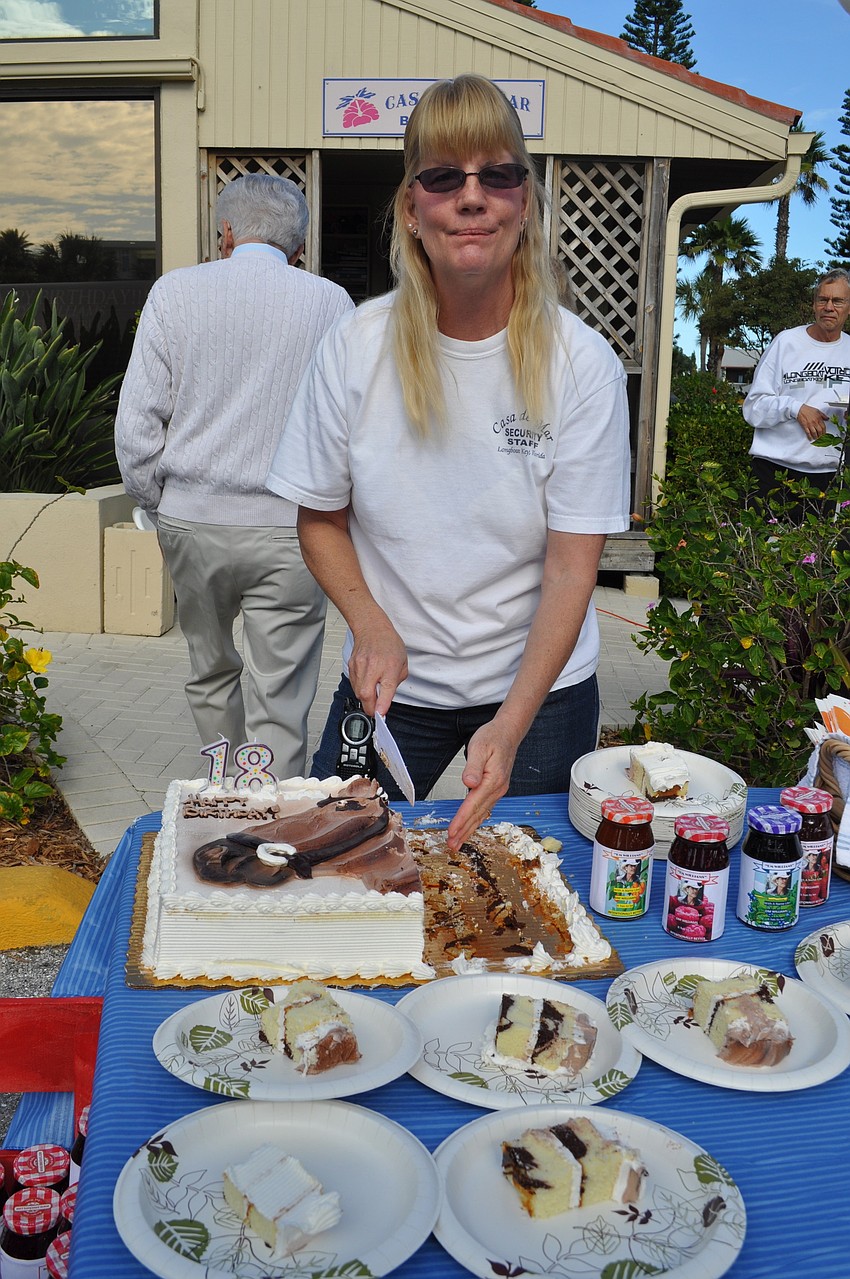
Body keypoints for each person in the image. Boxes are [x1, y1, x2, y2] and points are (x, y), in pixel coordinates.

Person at [267, 75, 630, 848]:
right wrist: (368, 622)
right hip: (393, 681)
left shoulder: (583, 362)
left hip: (542, 689)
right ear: (411, 206)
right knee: (337, 864)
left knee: (529, 888)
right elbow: (320, 517)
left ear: (524, 200)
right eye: (443, 176)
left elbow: (573, 567)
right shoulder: (355, 345)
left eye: (497, 174)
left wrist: (514, 718)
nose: (473, 197)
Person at [115, 174, 353, 776]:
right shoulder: (331, 303)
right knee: (282, 694)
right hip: (296, 530)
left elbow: (137, 426)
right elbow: (353, 429)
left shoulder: (174, 294)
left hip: (193, 520)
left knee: (211, 670)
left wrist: (160, 502)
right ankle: (272, 826)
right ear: (297, 247)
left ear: (224, 235)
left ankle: (222, 797)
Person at [743, 268, 850, 510]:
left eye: (838, 301)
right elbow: (753, 408)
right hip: (773, 473)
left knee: (827, 548)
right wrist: (795, 408)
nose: (829, 307)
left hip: (830, 476)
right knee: (764, 547)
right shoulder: (786, 342)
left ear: (849, 307)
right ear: (814, 305)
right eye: (823, 299)